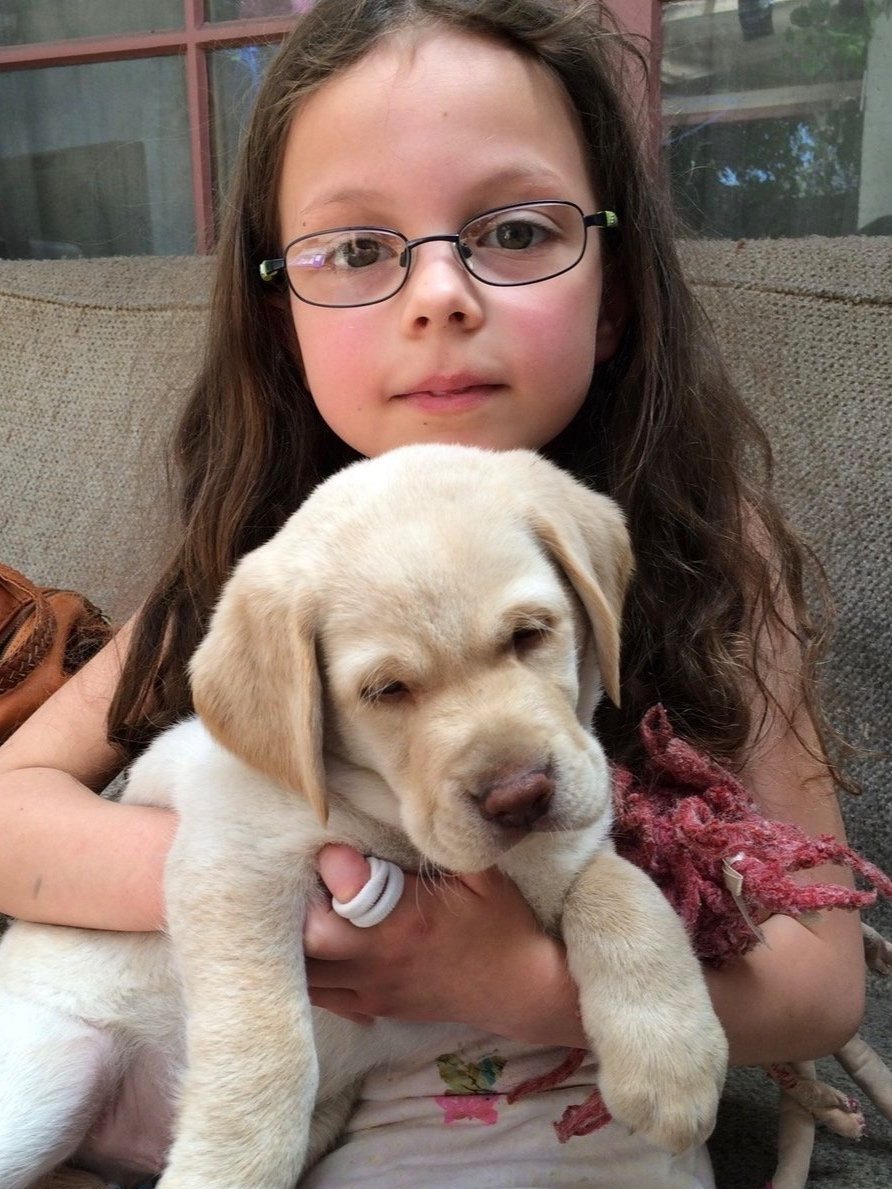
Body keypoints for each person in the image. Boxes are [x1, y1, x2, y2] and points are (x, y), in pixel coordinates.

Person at [0, 0, 866, 1185]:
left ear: (612, 292)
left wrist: (498, 975)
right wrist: (284, 885)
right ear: (284, 320)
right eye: (357, 249)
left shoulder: (710, 551)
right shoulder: (252, 568)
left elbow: (820, 985)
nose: (440, 293)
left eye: (513, 229)